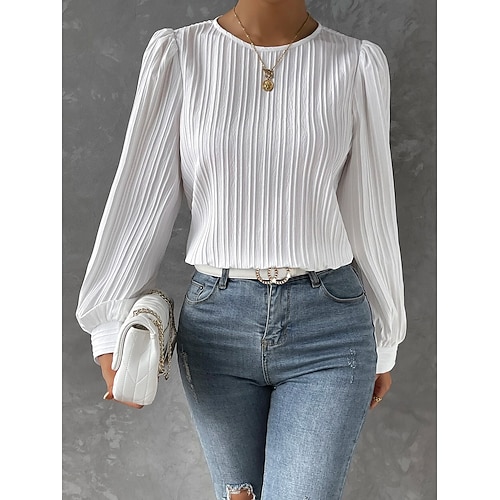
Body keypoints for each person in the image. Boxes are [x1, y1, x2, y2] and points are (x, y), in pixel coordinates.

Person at [76, 0, 407, 498]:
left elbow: (372, 207)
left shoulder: (355, 63)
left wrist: (385, 334)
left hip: (330, 325)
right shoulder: (181, 54)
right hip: (218, 324)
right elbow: (141, 193)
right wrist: (109, 320)